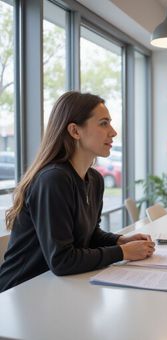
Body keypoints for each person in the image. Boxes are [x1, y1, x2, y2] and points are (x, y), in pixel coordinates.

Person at [0, 91, 155, 292]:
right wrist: (122, 252)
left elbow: (89, 235)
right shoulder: (53, 180)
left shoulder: (94, 180)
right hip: (20, 293)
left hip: (58, 288)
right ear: (75, 131)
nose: (113, 132)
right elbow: (62, 260)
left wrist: (120, 240)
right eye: (103, 123)